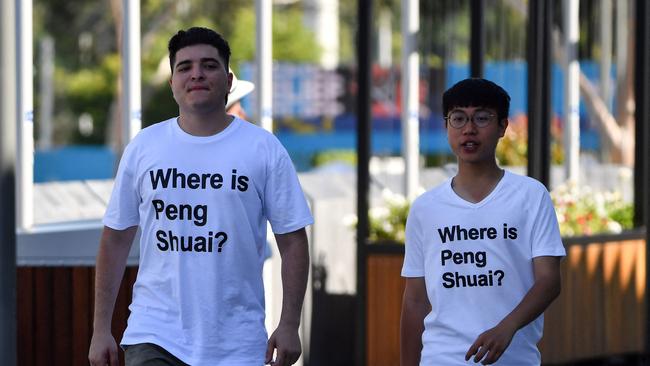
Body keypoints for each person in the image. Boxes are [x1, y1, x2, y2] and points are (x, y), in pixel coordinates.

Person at [89, 27, 313, 366]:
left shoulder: (263, 149)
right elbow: (115, 240)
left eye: (209, 65)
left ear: (228, 79)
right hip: (154, 335)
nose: (196, 74)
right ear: (172, 84)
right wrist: (100, 329)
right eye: (184, 67)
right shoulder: (144, 148)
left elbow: (293, 241)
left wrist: (289, 323)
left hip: (236, 342)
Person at [400, 78, 566, 365]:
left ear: (503, 126)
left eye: (482, 118)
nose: (469, 129)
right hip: (441, 358)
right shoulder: (425, 208)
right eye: (458, 118)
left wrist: (507, 327)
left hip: (514, 359)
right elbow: (414, 300)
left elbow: (549, 280)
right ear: (446, 126)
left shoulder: (530, 196)